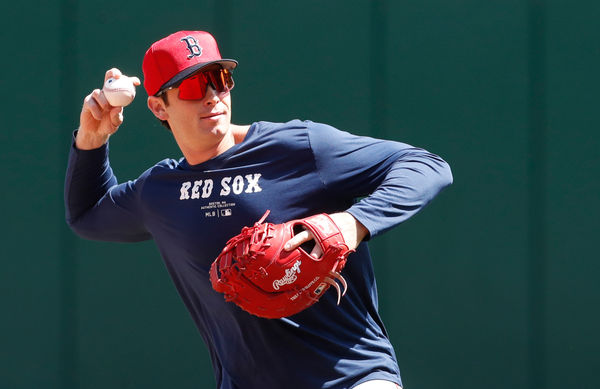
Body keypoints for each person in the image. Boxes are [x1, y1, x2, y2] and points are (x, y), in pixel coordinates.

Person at [65, 30, 453, 389]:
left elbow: (427, 166)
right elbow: (88, 215)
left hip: (355, 375)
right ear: (158, 106)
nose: (213, 96)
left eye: (220, 80)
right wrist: (91, 140)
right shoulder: (160, 191)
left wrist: (353, 223)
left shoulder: (300, 148)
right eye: (195, 85)